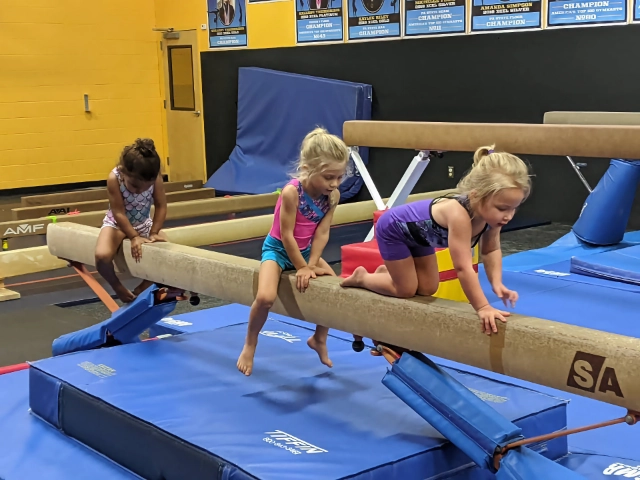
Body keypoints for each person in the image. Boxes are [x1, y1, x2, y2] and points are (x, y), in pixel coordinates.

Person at [341, 145, 532, 336]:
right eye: (502, 208)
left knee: (428, 288)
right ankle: (363, 278)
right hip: (394, 229)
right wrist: (483, 307)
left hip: (420, 238)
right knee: (405, 290)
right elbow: (463, 268)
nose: (508, 216)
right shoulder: (459, 215)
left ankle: (388, 274)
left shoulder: (493, 219)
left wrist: (497, 283)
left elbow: (490, 251)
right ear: (476, 195)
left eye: (513, 208)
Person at [237, 127, 350, 376]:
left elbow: (322, 233)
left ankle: (319, 338)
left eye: (339, 177)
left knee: (334, 290)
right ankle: (250, 343)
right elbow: (286, 235)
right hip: (277, 251)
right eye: (329, 177)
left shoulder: (332, 196)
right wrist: (302, 267)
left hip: (307, 251)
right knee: (265, 297)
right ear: (309, 168)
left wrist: (312, 262)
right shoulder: (292, 193)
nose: (334, 184)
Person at [95, 138, 168, 303]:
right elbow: (119, 212)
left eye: (145, 187)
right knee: (102, 255)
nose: (139, 191)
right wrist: (134, 236)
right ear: (123, 172)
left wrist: (154, 232)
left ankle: (143, 286)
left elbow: (161, 206)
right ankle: (118, 287)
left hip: (144, 223)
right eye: (135, 186)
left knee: (167, 257)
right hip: (117, 224)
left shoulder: (155, 177)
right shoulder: (114, 178)